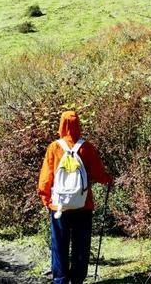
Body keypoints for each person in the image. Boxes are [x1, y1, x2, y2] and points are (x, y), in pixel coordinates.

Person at [38, 111, 113, 284]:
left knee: (59, 245)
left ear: (61, 125)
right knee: (81, 245)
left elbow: (46, 178)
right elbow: (98, 174)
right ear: (79, 125)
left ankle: (60, 279)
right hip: (83, 205)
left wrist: (47, 200)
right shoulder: (87, 147)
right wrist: (108, 180)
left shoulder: (54, 148)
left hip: (59, 206)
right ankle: (77, 279)